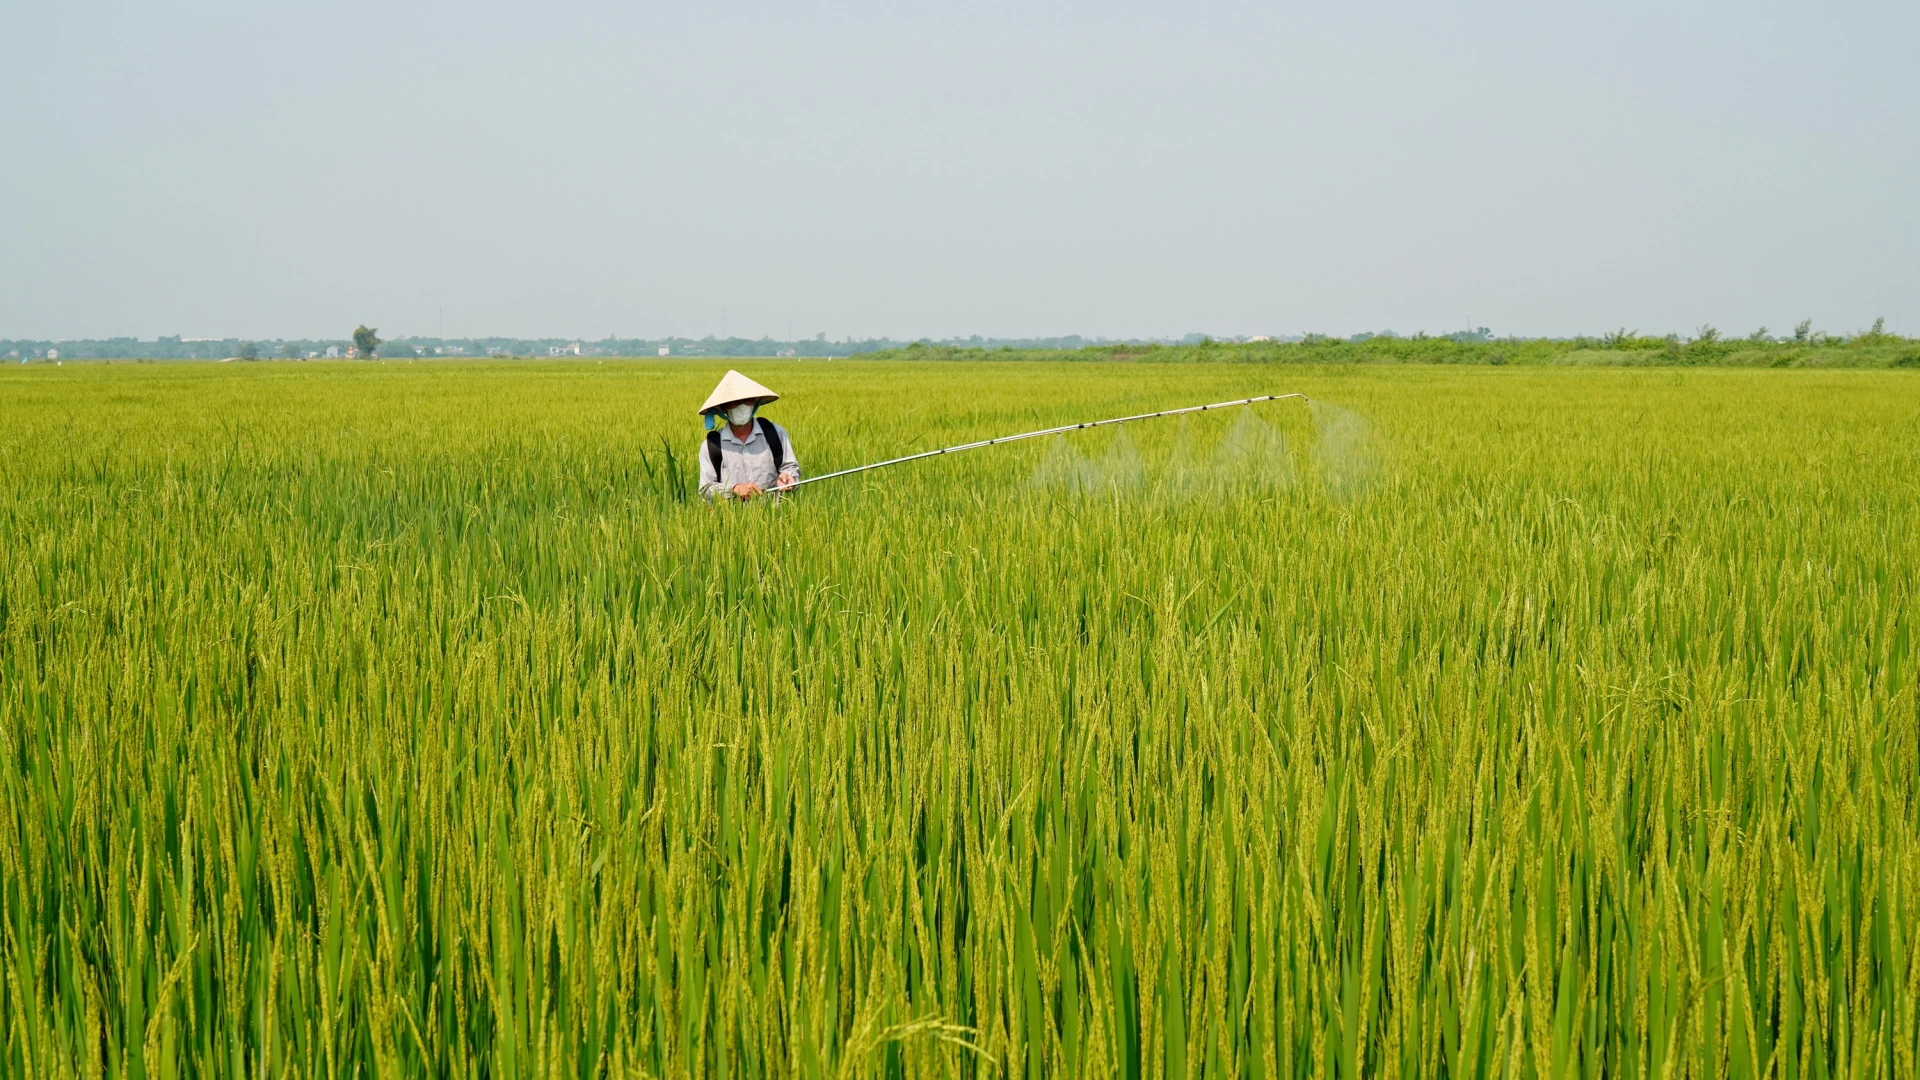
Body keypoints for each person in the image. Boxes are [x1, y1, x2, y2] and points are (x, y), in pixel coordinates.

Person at [696, 370, 800, 501]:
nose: (741, 406)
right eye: (733, 402)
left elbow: (790, 467)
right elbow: (706, 489)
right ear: (723, 408)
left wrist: (787, 477)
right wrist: (734, 488)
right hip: (732, 519)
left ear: (755, 402)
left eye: (747, 400)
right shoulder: (712, 446)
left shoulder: (776, 434)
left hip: (775, 516)